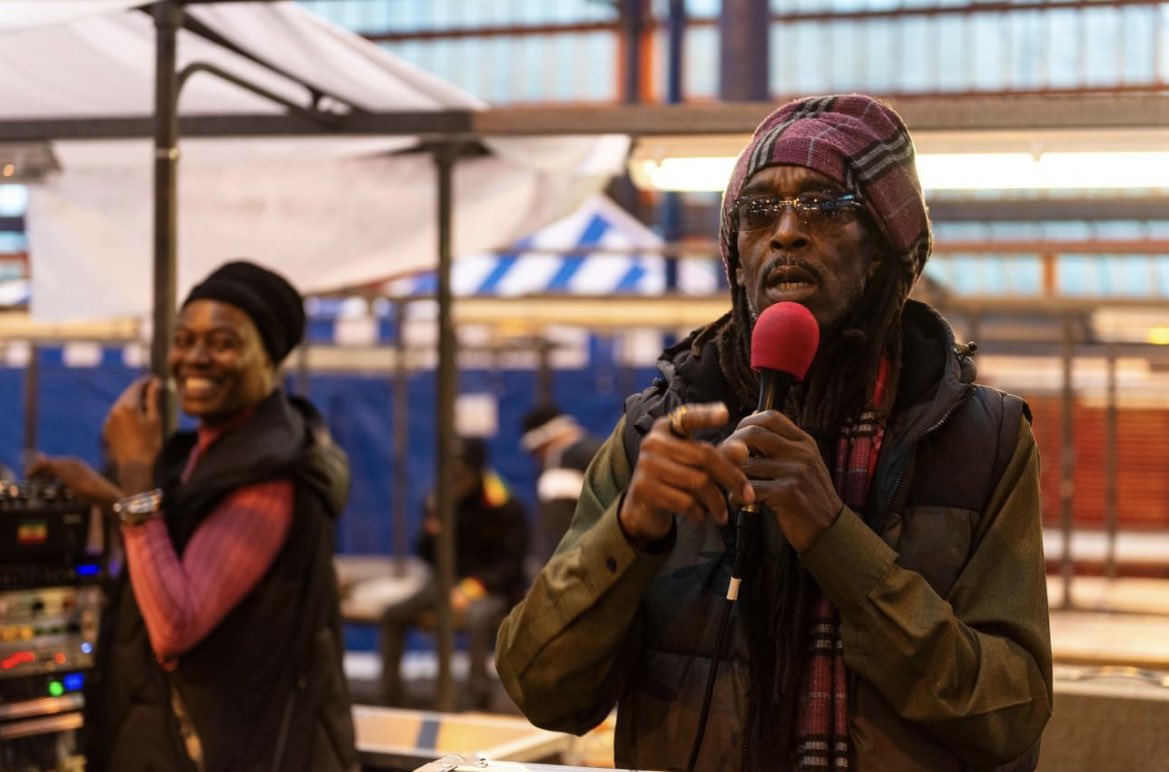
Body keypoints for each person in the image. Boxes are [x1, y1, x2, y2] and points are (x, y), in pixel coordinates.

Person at [495, 94, 1052, 771]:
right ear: (736, 251)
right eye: (758, 211)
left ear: (879, 249)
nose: (785, 231)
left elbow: (1011, 714)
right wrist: (630, 530)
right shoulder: (658, 432)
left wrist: (834, 538)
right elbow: (539, 690)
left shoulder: (980, 438)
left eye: (823, 206)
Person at [28, 260, 357, 772]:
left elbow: (176, 623)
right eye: (184, 339)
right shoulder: (206, 451)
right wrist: (103, 493)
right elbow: (180, 546)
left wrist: (136, 471)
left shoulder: (270, 470)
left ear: (269, 359)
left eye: (223, 342)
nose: (195, 358)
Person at [378, 436, 529, 708]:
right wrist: (431, 532)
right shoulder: (442, 501)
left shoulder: (504, 505)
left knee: (479, 617)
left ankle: (477, 697)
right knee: (393, 614)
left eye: (461, 472)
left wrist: (470, 589)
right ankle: (390, 695)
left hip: (494, 589)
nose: (456, 479)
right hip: (447, 584)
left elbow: (511, 565)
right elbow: (428, 557)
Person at [519, 404, 603, 564]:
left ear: (541, 445)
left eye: (536, 453)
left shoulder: (558, 471)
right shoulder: (602, 448)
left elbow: (560, 537)